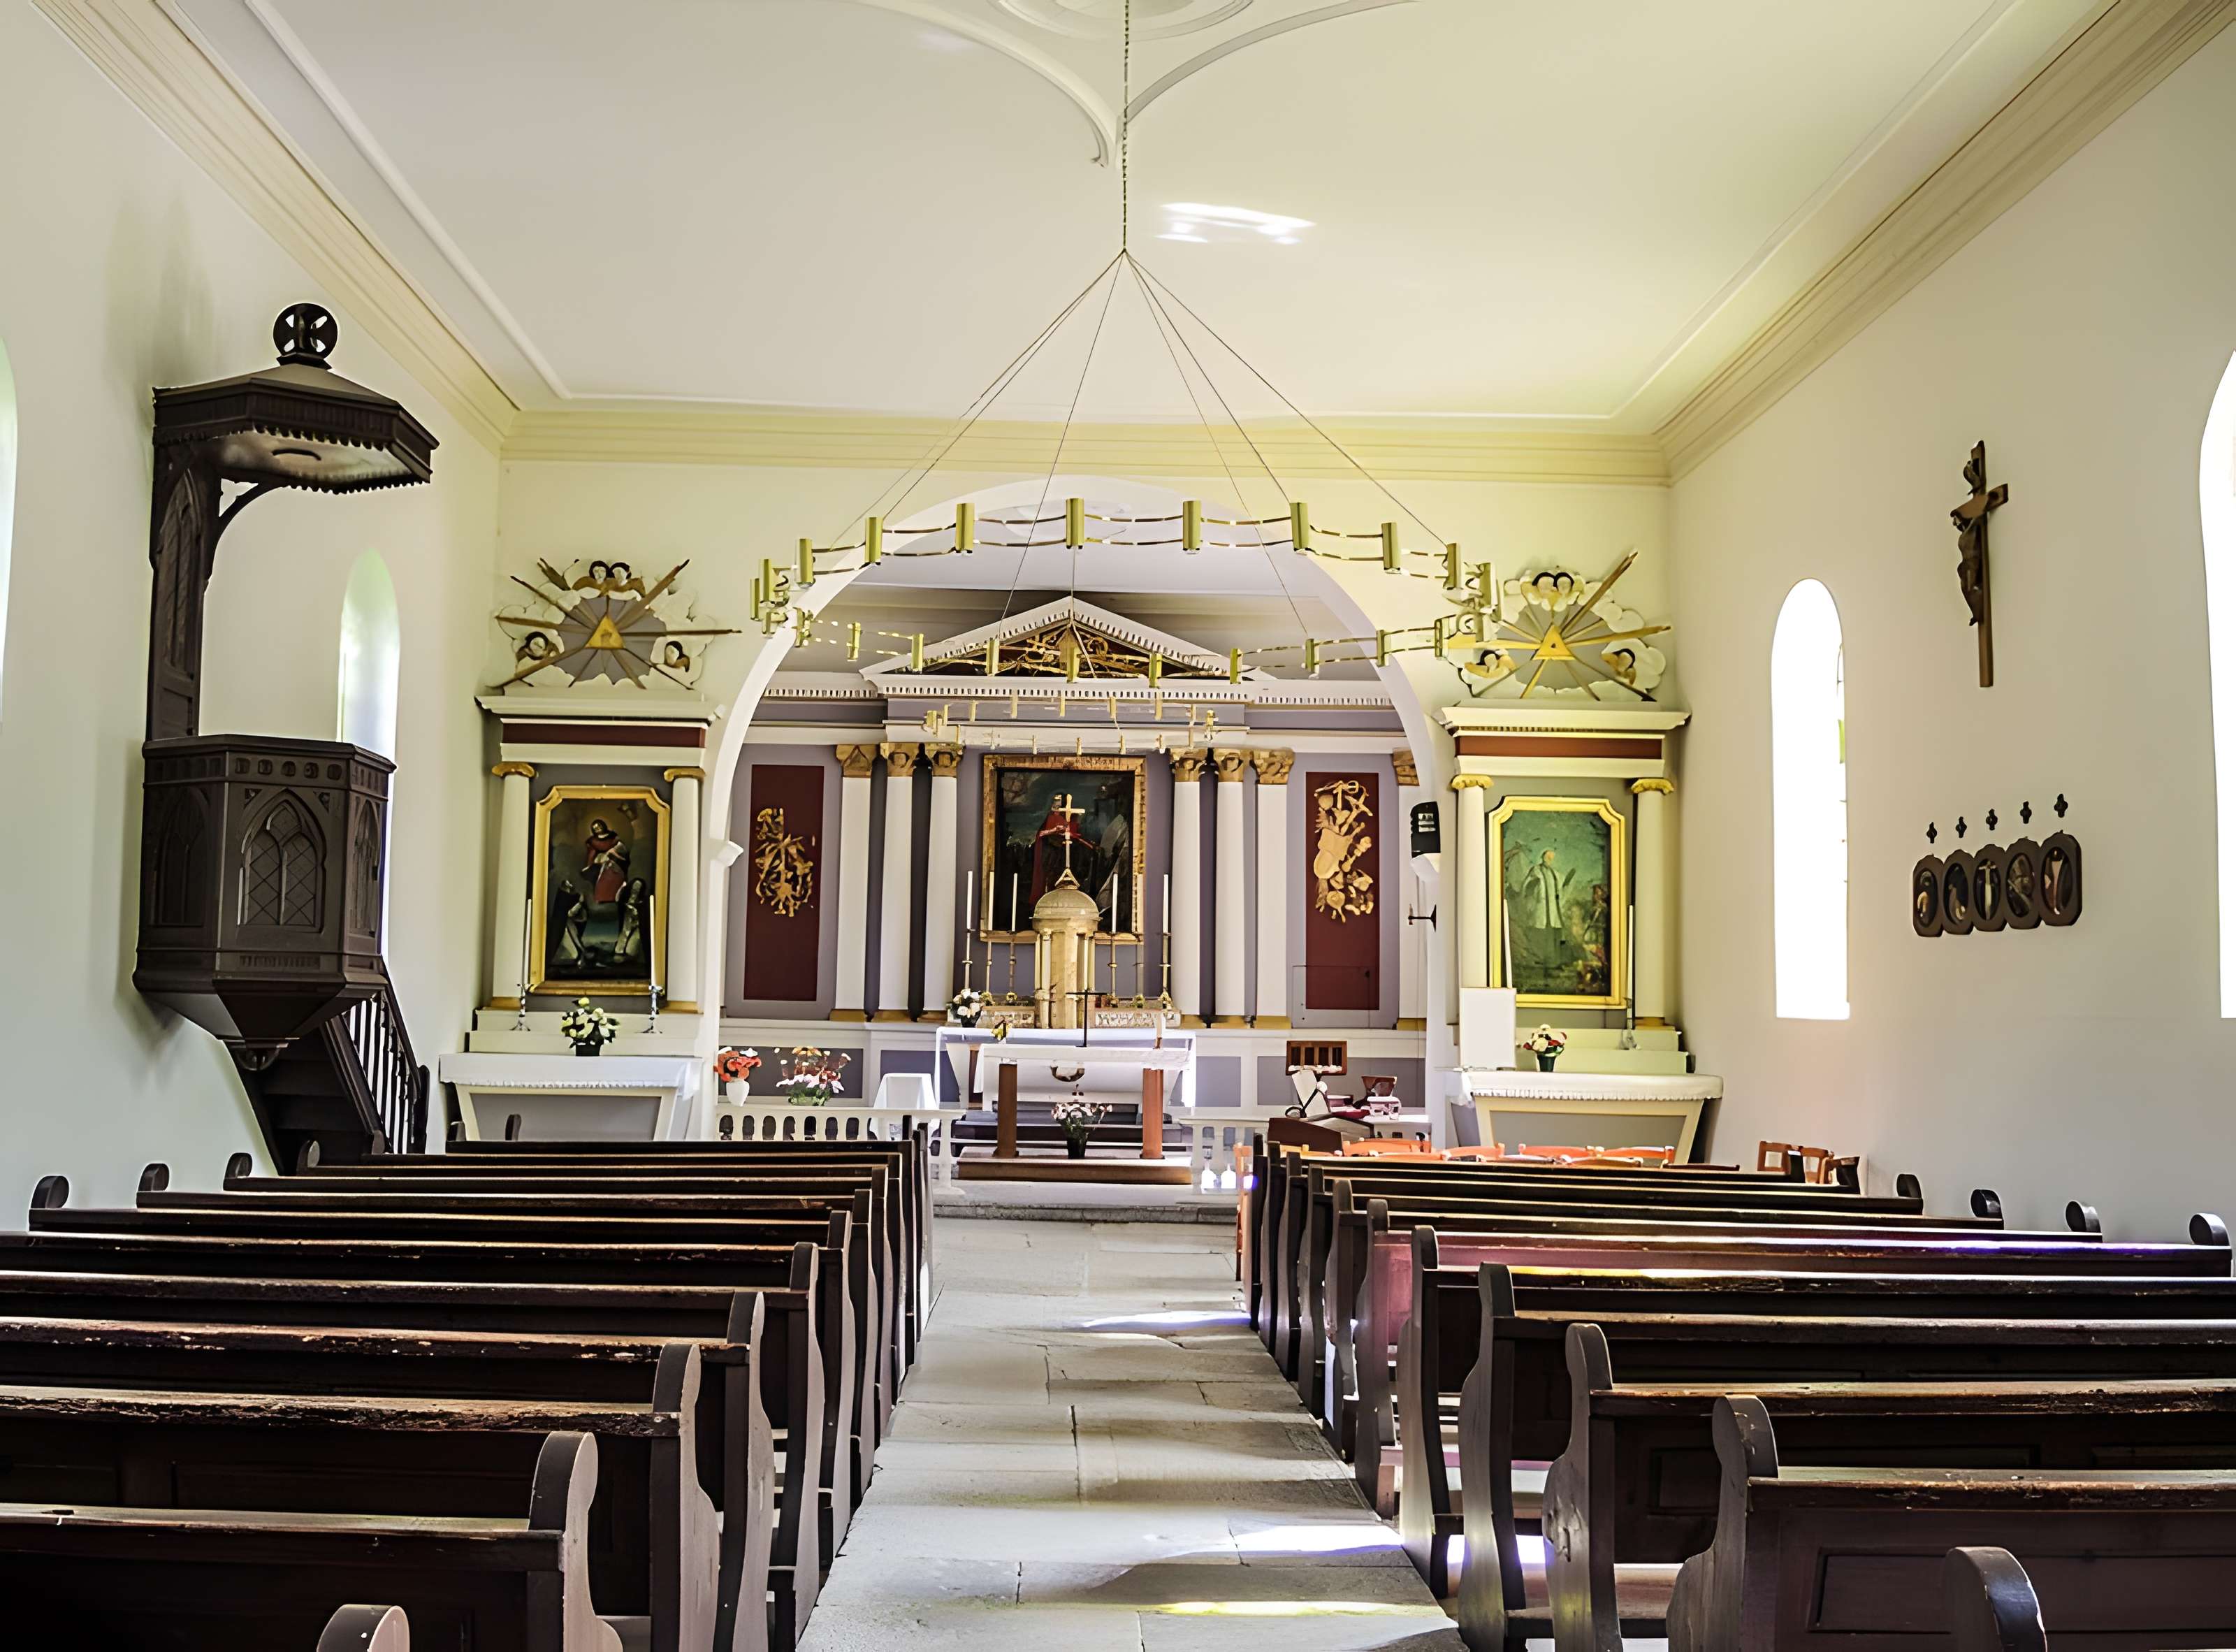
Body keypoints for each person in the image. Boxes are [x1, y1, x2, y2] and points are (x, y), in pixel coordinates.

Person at [582, 818, 629, 905]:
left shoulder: (613, 836)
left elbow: (621, 848)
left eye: (599, 826)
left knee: (613, 874)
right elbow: (591, 855)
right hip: (600, 862)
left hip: (615, 860)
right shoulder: (592, 841)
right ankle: (601, 898)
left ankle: (614, 897)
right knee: (593, 874)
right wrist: (591, 864)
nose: (598, 829)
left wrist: (612, 852)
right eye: (595, 828)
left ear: (603, 825)